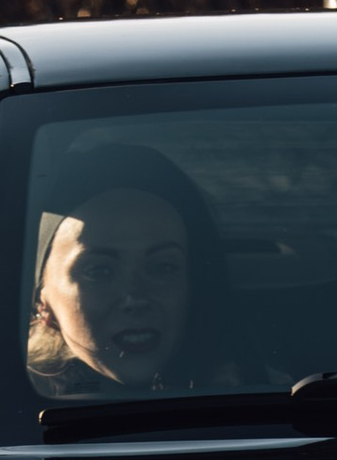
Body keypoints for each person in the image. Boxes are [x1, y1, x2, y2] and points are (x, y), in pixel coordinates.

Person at [26, 144, 229, 394]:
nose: (135, 297)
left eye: (162, 267)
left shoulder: (263, 394)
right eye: (100, 272)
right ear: (41, 298)